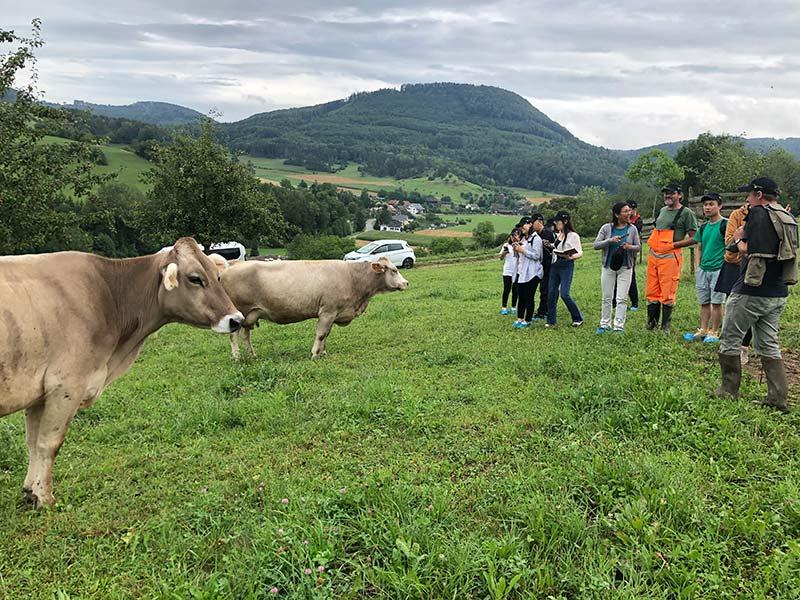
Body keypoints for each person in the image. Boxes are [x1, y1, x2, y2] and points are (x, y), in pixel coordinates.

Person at [716, 177, 798, 413]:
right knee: (768, 344)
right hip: (778, 292)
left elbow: (752, 251)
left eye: (750, 195)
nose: (747, 200)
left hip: (752, 290)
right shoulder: (787, 216)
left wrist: (740, 239)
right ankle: (777, 398)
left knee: (730, 336)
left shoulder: (760, 214)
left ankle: (728, 390)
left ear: (760, 195)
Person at [645, 183, 698, 332]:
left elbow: (695, 238)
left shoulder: (686, 213)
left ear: (680, 195)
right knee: (652, 290)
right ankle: (651, 324)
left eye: (671, 193)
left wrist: (674, 245)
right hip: (653, 255)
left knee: (667, 292)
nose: (668, 196)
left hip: (670, 256)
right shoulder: (662, 210)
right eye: (666, 193)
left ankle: (665, 327)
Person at [682, 193, 727, 343]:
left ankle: (714, 331)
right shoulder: (704, 227)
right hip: (703, 269)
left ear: (719, 206)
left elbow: (729, 246)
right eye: (705, 205)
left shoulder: (725, 225)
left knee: (716, 302)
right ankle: (703, 329)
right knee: (704, 302)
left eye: (711, 204)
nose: (707, 207)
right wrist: (698, 266)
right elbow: (699, 246)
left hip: (718, 269)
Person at [714, 202, 753, 364]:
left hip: (754, 266)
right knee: (733, 306)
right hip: (734, 266)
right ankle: (731, 346)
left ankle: (744, 346)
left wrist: (742, 239)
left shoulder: (767, 215)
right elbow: (730, 241)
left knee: (750, 307)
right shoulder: (737, 215)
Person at [593, 202, 641, 333]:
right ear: (617, 214)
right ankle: (604, 324)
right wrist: (609, 240)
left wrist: (630, 247)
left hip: (626, 267)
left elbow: (639, 246)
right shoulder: (606, 228)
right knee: (607, 297)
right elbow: (596, 245)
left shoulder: (632, 229)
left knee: (621, 298)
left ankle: (618, 326)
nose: (629, 213)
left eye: (629, 211)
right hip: (608, 266)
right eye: (625, 211)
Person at [545, 211, 584, 328]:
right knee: (551, 293)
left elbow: (580, 252)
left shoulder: (573, 236)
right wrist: (550, 246)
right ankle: (551, 321)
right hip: (555, 265)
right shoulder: (558, 234)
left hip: (566, 265)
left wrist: (570, 256)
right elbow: (557, 247)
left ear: (565, 222)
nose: (556, 223)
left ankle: (577, 318)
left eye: (558, 221)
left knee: (564, 294)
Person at [512, 217, 543, 328]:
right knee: (521, 297)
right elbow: (518, 256)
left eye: (523, 225)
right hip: (522, 272)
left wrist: (523, 250)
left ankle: (528, 319)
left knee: (529, 297)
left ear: (530, 224)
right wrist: (517, 248)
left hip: (533, 273)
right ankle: (520, 318)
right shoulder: (524, 239)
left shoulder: (536, 239)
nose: (522, 228)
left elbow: (536, 256)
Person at [532, 212, 555, 320]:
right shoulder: (538, 235)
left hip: (550, 267)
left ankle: (543, 312)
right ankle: (543, 310)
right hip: (542, 267)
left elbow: (550, 252)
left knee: (546, 290)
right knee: (544, 289)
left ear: (539, 222)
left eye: (533, 222)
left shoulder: (547, 233)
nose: (532, 225)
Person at [499, 228, 521, 315]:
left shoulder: (520, 245)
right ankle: (504, 307)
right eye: (513, 236)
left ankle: (513, 307)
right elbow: (500, 258)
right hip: (507, 270)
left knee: (515, 290)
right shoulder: (506, 245)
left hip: (516, 270)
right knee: (507, 289)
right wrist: (504, 253)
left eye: (516, 236)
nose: (514, 238)